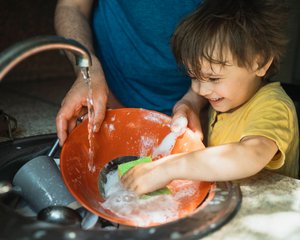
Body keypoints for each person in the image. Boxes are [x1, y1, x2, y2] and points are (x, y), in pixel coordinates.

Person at [121, 0, 299, 195]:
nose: (202, 89)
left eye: (213, 78)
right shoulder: (228, 95)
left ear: (261, 62)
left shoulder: (274, 107)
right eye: (193, 77)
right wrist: (189, 103)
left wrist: (168, 168)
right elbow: (200, 92)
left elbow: (251, 154)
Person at [54, 0, 206, 146]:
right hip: (108, 97)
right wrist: (87, 71)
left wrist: (194, 100)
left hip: (196, 105)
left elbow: (224, 32)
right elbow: (72, 6)